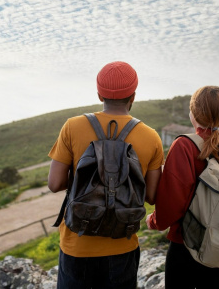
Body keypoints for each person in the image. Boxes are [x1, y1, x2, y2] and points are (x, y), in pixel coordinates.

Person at [48, 61, 164, 289]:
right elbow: (151, 196)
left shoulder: (73, 126)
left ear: (100, 94)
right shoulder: (151, 137)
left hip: (77, 245)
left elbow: (54, 183)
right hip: (123, 246)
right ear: (133, 96)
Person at [146, 86, 219, 289]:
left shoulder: (184, 146)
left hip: (186, 244)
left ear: (193, 113)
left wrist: (154, 221)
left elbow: (172, 202)